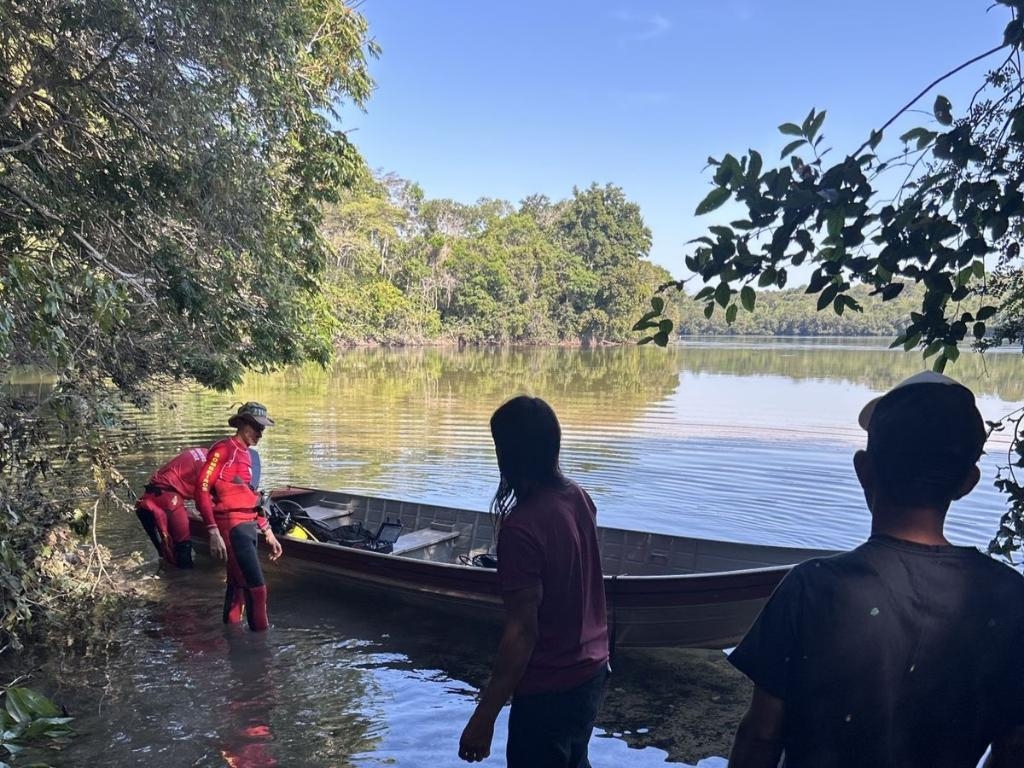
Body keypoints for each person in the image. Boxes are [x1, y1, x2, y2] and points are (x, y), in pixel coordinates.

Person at [727, 371, 1024, 768]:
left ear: (863, 470)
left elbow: (761, 736)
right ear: (968, 483)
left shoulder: (812, 587)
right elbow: (1014, 748)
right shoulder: (1010, 598)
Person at [458, 396, 609, 768]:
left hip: (550, 690)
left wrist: (484, 717)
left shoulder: (522, 528)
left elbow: (522, 632)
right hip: (592, 673)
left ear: (510, 456)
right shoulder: (578, 497)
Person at [195, 402, 283, 632]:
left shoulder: (249, 456)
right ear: (242, 424)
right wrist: (213, 530)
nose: (260, 433)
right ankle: (261, 648)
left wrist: (268, 531)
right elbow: (201, 489)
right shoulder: (224, 450)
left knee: (237, 586)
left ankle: (232, 639)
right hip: (232, 527)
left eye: (262, 429)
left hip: (248, 526)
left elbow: (250, 497)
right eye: (256, 428)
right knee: (257, 589)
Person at [135, 446, 208, 568]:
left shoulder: (204, 452)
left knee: (165, 553)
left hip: (147, 499)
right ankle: (185, 579)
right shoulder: (212, 470)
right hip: (167, 500)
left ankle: (166, 576)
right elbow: (206, 504)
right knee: (183, 549)